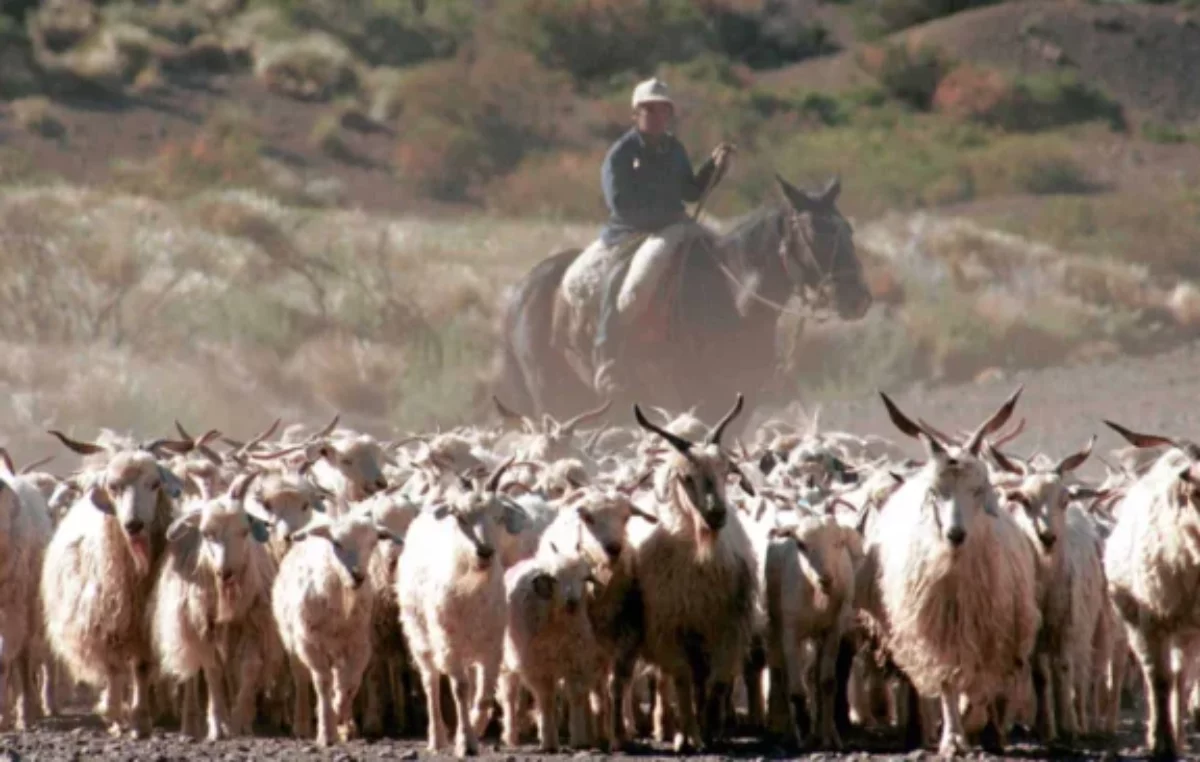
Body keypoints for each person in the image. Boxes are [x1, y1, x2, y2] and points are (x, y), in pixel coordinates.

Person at [565, 76, 735, 397]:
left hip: (673, 226)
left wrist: (714, 168)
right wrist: (667, 218)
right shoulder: (620, 154)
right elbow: (620, 204)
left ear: (669, 114)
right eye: (649, 110)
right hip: (630, 232)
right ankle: (607, 355)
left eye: (662, 110)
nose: (656, 116)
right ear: (635, 114)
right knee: (621, 280)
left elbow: (691, 191)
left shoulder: (675, 149)